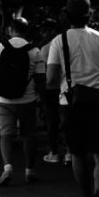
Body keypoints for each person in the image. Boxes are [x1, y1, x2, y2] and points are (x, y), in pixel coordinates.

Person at [46, 0, 99, 197]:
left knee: (77, 154)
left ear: (67, 15)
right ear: (90, 14)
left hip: (71, 104)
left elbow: (50, 79)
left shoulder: (60, 41)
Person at [0, 17, 45, 186]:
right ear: (27, 30)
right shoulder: (35, 51)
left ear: (11, 30)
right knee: (28, 135)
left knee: (5, 134)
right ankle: (29, 171)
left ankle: (8, 168)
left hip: (3, 99)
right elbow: (41, 78)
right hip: (27, 99)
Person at [37, 18, 66, 165]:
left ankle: (54, 151)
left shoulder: (45, 48)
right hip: (65, 87)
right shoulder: (66, 44)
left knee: (52, 121)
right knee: (66, 120)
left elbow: (44, 73)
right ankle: (69, 152)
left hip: (50, 89)